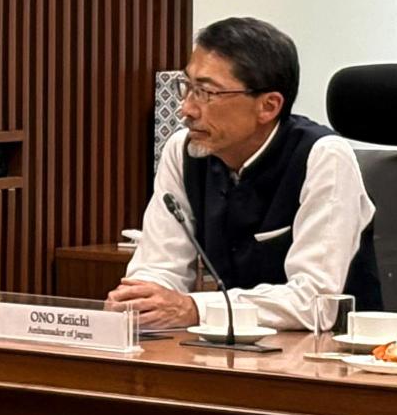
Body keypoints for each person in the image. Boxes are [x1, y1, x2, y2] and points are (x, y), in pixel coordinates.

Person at [109, 17, 380, 332]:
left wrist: (194, 308)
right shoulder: (183, 150)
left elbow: (314, 302)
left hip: (330, 351)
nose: (186, 109)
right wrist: (141, 301)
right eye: (187, 87)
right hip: (228, 346)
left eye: (206, 93)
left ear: (268, 106)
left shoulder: (324, 157)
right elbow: (159, 265)